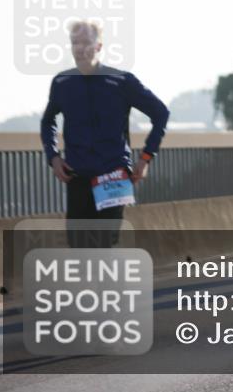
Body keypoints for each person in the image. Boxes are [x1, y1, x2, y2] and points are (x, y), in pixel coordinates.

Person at [40, 20, 170, 248]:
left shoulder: (122, 81)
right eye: (74, 43)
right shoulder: (62, 82)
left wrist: (146, 157)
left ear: (99, 46)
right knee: (79, 248)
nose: (79, 48)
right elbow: (48, 121)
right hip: (77, 175)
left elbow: (160, 113)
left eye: (86, 42)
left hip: (113, 175)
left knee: (103, 244)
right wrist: (54, 157)